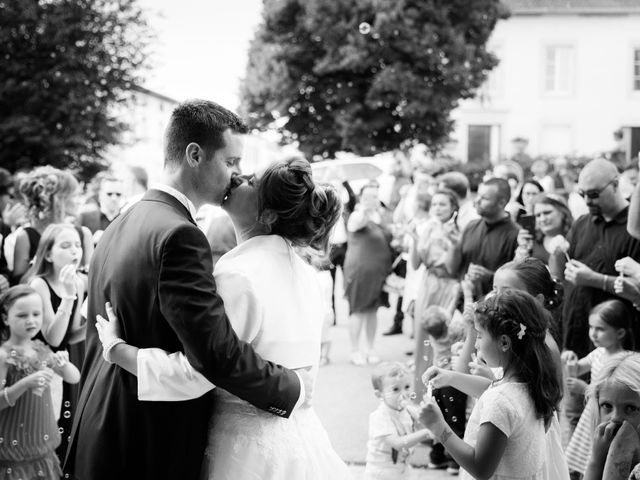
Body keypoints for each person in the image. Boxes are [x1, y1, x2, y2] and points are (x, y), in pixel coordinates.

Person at [66, 100, 309, 480]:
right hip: (146, 440)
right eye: (231, 162)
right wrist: (291, 387)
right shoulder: (181, 235)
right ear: (194, 154)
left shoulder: (124, 218)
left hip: (102, 424)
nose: (236, 175)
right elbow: (215, 355)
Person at [94, 156, 350, 479]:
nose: (237, 177)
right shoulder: (307, 274)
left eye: (251, 181)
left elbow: (201, 370)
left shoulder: (238, 274)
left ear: (268, 214)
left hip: (244, 451)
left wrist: (118, 350)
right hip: (300, 438)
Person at [421, 289, 563, 479]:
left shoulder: (500, 401)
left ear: (504, 342)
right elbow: (492, 387)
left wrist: (439, 427)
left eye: (479, 336)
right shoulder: (531, 382)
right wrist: (450, 377)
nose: (477, 344)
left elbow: (481, 468)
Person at [550, 158, 640, 359]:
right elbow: (560, 274)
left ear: (615, 184)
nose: (587, 201)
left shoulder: (634, 229)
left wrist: (594, 279)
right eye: (582, 194)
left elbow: (637, 288)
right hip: (576, 331)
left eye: (593, 194)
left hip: (616, 341)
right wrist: (557, 252)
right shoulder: (582, 222)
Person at [0, 285, 80, 480]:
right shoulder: (2, 355)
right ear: (5, 318)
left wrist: (65, 364)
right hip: (13, 453)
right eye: (22, 315)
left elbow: (74, 377)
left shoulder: (40, 349)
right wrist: (25, 383)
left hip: (42, 448)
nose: (31, 320)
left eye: (37, 314)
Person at [24, 223, 87, 461]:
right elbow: (53, 337)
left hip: (63, 364)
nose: (75, 251)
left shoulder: (79, 283)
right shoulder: (38, 284)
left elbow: (70, 336)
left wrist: (94, 324)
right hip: (37, 367)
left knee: (64, 431)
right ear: (48, 254)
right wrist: (69, 295)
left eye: (78, 245)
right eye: (66, 245)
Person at [563, 300, 633, 477]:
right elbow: (577, 368)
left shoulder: (623, 360)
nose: (593, 333)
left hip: (607, 412)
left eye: (600, 329)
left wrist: (585, 388)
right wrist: (570, 359)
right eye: (591, 327)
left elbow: (615, 393)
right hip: (592, 414)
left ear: (620, 333)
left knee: (602, 453)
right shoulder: (598, 353)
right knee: (586, 452)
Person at [408, 189, 460, 399]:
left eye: (443, 204)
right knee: (423, 339)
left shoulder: (458, 230)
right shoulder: (427, 227)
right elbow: (415, 263)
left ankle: (442, 396)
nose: (437, 208)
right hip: (428, 284)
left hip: (448, 284)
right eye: (435, 204)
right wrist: (414, 239)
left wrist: (450, 241)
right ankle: (421, 394)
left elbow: (453, 266)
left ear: (453, 207)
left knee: (444, 340)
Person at [12, 167, 92, 283]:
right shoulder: (26, 237)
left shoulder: (83, 234)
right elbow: (18, 284)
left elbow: (93, 278)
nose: (78, 201)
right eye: (74, 196)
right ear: (57, 200)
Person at [343, 183, 394, 365]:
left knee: (372, 311)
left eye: (375, 196)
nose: (372, 199)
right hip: (360, 272)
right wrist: (364, 209)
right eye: (368, 196)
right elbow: (358, 222)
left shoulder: (379, 216)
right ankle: (355, 350)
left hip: (378, 273)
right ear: (361, 197)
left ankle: (370, 348)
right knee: (358, 311)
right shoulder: (358, 215)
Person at [446, 177, 519, 297]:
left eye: (484, 198)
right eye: (478, 195)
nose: (477, 201)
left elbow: (517, 282)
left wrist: (490, 276)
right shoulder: (471, 226)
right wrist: (454, 246)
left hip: (494, 307)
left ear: (501, 203)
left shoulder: (515, 235)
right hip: (463, 302)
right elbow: (451, 269)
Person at [364, 362, 432, 479]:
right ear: (380, 394)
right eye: (396, 389)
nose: (404, 394)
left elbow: (424, 421)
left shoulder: (408, 410)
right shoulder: (380, 417)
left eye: (407, 387)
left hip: (401, 467)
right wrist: (427, 432)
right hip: (381, 471)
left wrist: (430, 412)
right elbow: (398, 443)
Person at [421, 306, 466, 475]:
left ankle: (436, 457)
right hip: (451, 383)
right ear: (448, 322)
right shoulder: (454, 333)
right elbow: (463, 323)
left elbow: (443, 318)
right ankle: (454, 463)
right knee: (455, 422)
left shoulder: (432, 335)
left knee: (439, 420)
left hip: (435, 383)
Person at [583, 352, 640, 480]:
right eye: (607, 406)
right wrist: (596, 460)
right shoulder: (601, 450)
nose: (615, 417)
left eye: (630, 408)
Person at [514, 193, 573, 264]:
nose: (542, 219)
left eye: (547, 213)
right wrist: (523, 248)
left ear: (563, 212)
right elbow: (518, 270)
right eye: (538, 215)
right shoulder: (533, 241)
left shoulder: (575, 236)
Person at [79, 174, 125, 245]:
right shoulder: (84, 218)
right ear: (100, 194)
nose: (114, 198)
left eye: (118, 194)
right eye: (109, 194)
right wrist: (91, 242)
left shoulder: (126, 221)